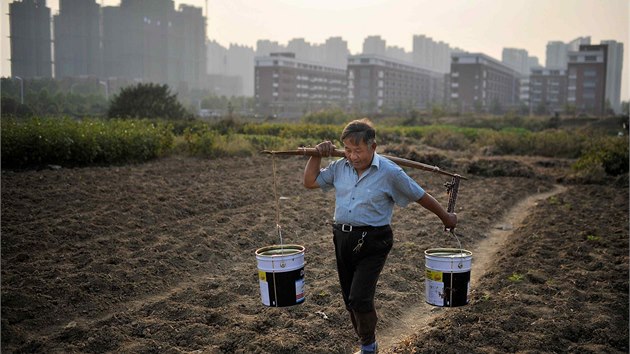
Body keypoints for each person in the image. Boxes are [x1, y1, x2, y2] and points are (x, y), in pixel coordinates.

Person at [303, 118, 457, 354]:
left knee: (360, 298)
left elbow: (419, 195)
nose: (353, 156)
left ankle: (368, 346)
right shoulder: (339, 167)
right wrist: (317, 155)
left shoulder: (389, 172)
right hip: (342, 239)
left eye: (359, 150)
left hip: (374, 241)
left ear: (373, 147)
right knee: (350, 301)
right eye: (348, 150)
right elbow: (310, 182)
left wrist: (445, 217)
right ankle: (366, 341)